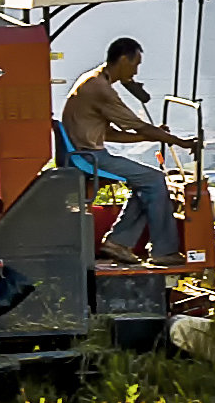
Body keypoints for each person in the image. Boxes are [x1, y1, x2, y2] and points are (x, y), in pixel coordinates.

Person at [62, 36, 200, 264]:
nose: (135, 73)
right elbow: (136, 125)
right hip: (88, 156)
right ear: (124, 59)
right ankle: (163, 251)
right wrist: (180, 142)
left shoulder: (93, 81)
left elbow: (112, 133)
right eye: (135, 64)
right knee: (155, 179)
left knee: (145, 184)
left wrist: (152, 134)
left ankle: (118, 242)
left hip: (86, 152)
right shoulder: (100, 88)